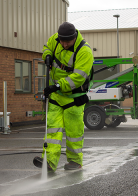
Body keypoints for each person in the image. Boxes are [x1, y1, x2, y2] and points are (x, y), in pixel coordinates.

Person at [33, 22, 94, 171]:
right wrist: (47, 55)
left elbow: (78, 77)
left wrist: (57, 85)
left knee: (74, 132)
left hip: (74, 97)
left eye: (67, 42)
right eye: (62, 41)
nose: (64, 44)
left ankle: (75, 161)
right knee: (53, 128)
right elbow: (47, 46)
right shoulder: (56, 40)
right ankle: (49, 161)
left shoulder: (85, 52)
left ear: (74, 37)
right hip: (57, 96)